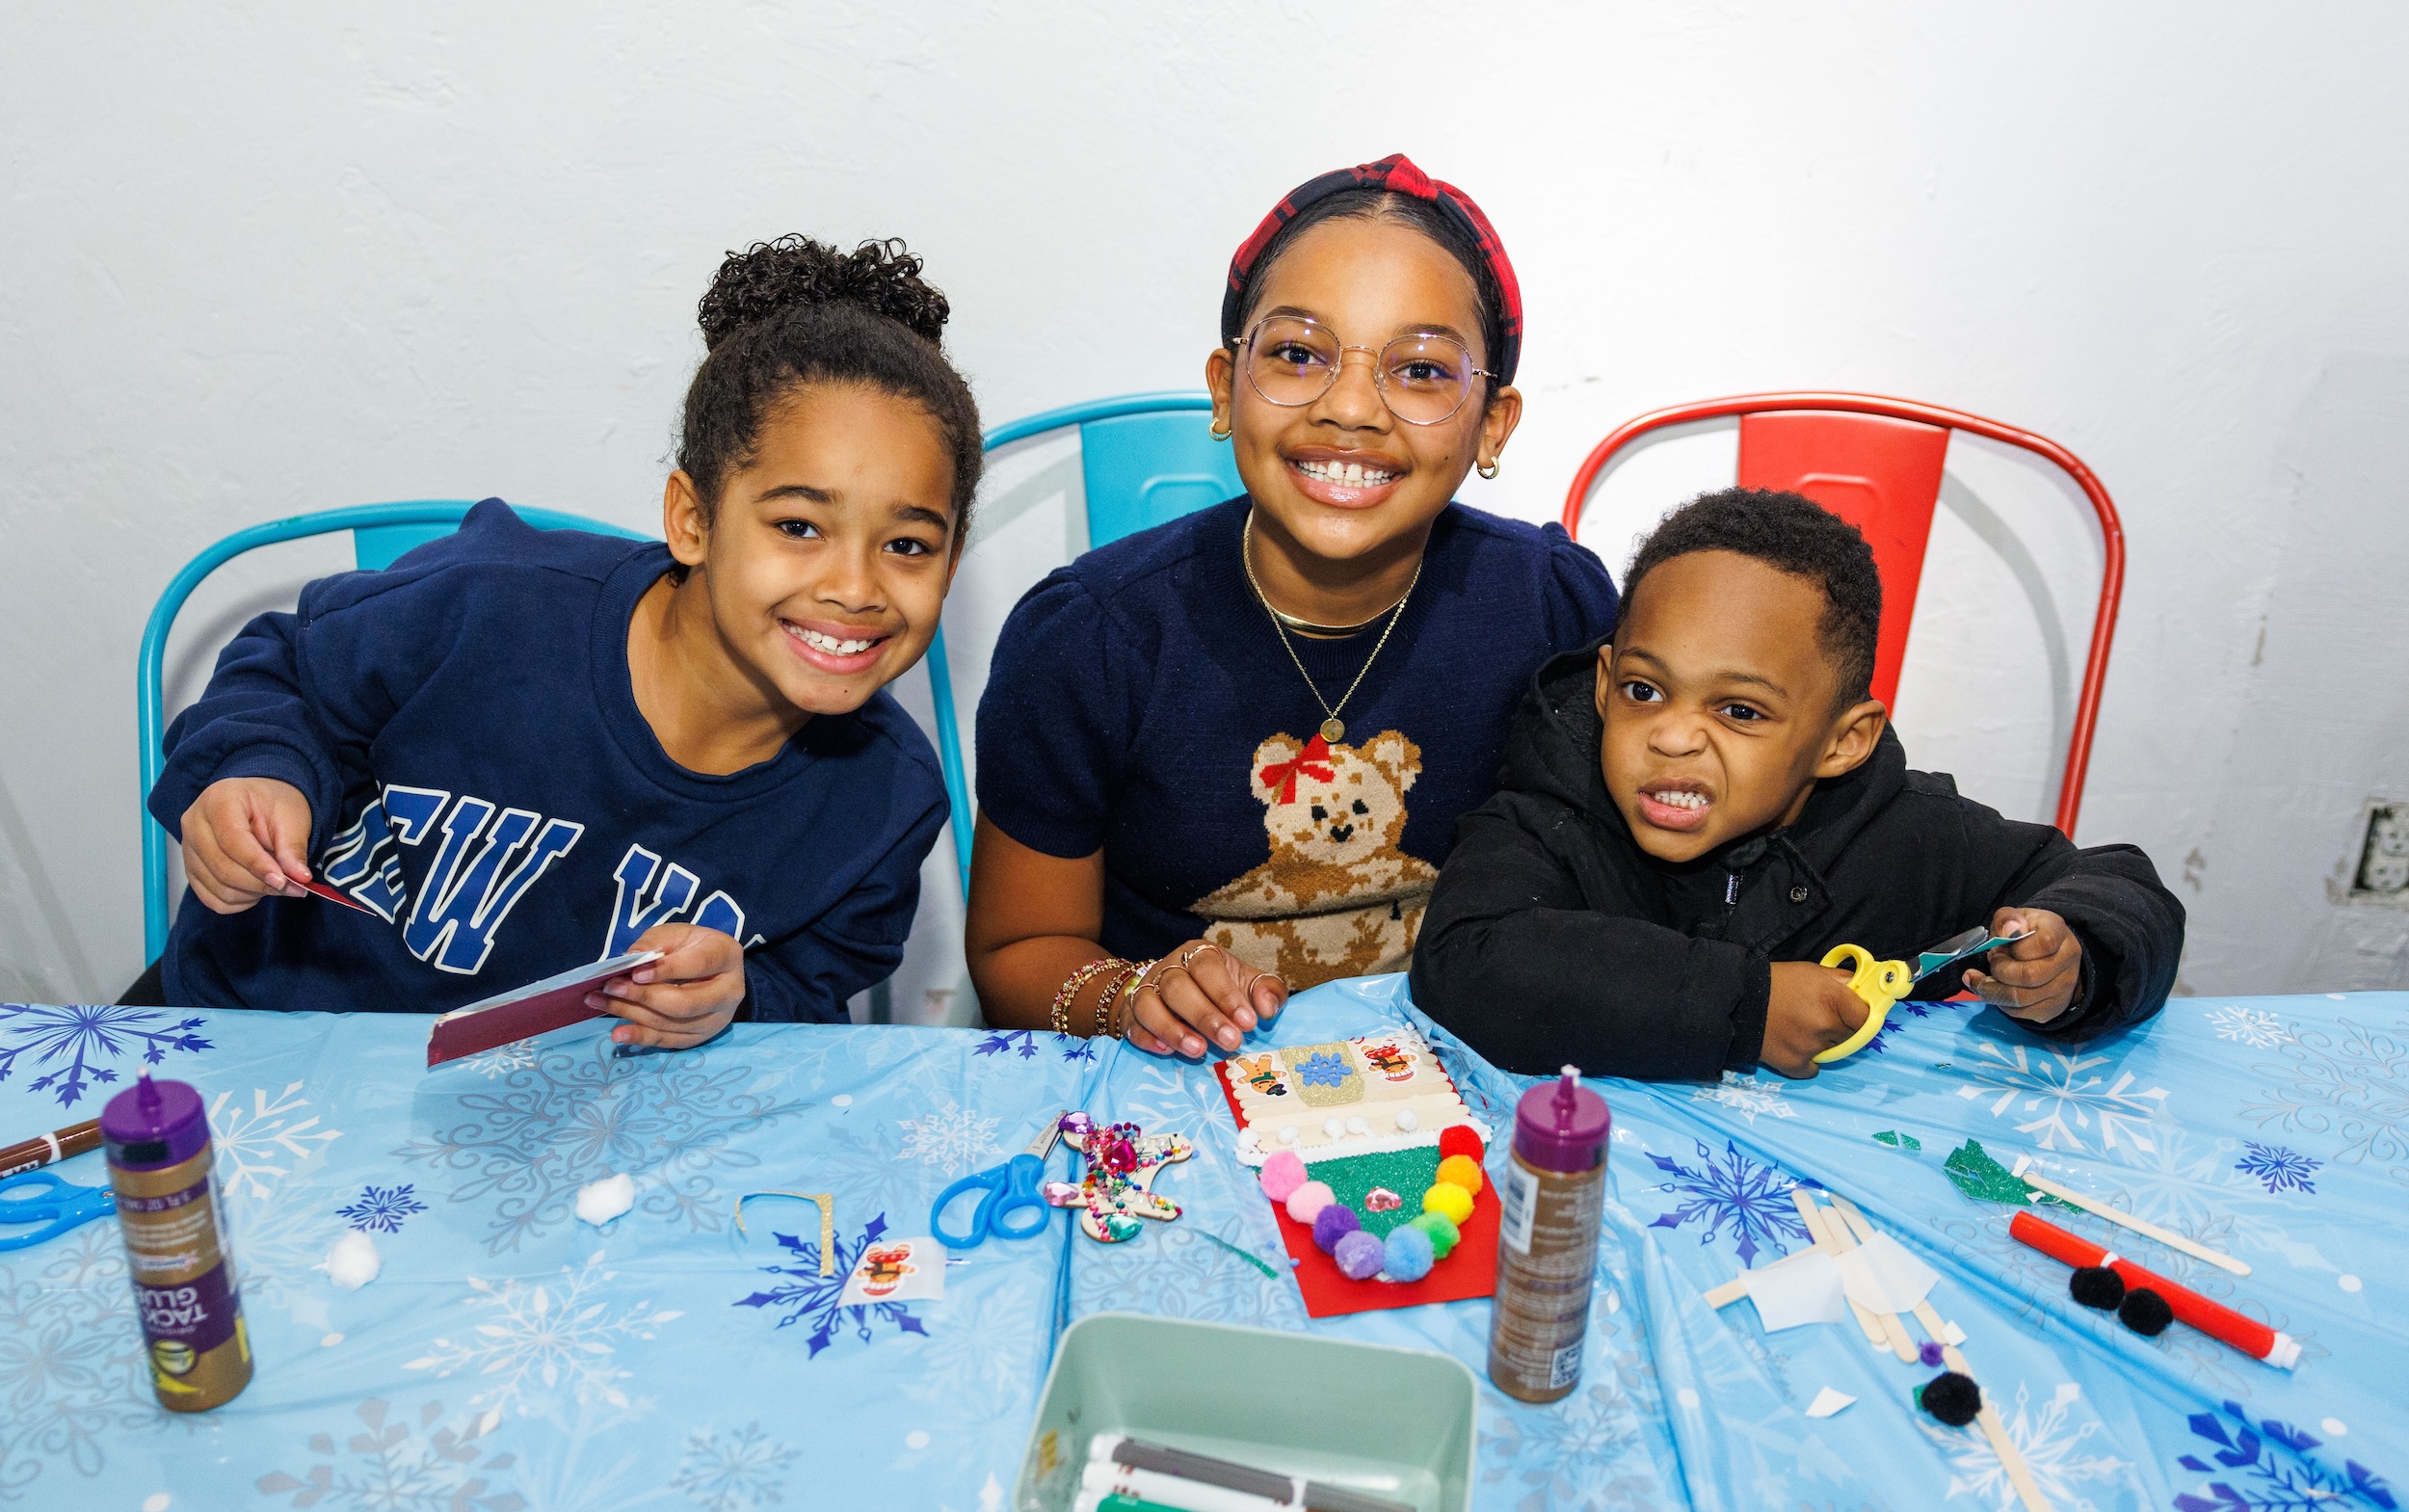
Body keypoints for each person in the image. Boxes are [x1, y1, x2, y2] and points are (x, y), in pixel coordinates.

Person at [136, 236, 978, 1045]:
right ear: (693, 520)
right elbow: (285, 671)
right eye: (798, 525)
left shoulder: (886, 800)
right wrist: (257, 769)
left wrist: (739, 997)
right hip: (243, 1034)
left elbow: (811, 989)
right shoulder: (490, 605)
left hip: (573, 1108)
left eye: (907, 544)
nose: (855, 587)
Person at [968, 155, 1617, 1059]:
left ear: (1493, 424)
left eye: (1421, 369)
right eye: (1299, 353)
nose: (1350, 408)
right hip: (1186, 1085)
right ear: (1224, 387)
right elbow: (1016, 951)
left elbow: (1620, 886)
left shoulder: (1552, 609)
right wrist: (1133, 995)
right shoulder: (1089, 641)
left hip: (1467, 1075)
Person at [1411, 487, 2185, 1079]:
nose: (1673, 737)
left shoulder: (1900, 833)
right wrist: (1745, 1005)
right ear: (1606, 684)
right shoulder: (1553, 809)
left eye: (1739, 710)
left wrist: (2073, 957)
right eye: (1646, 690)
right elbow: (1464, 961)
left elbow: (2113, 882)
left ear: (1843, 742)